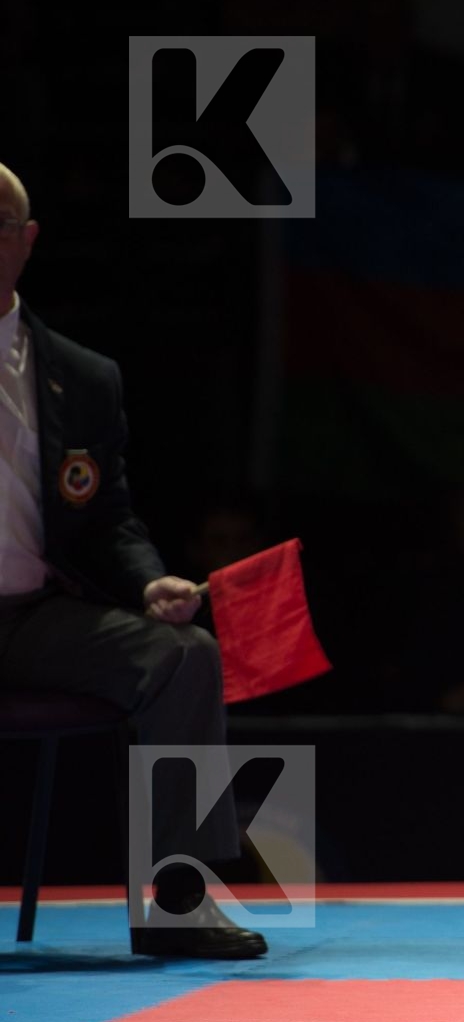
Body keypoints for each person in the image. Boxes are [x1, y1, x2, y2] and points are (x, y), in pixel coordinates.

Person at [0, 162, 266, 959]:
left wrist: (149, 579)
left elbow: (108, 516)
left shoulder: (79, 379)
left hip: (35, 618)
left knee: (183, 656)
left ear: (28, 241)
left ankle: (179, 899)